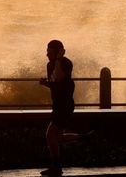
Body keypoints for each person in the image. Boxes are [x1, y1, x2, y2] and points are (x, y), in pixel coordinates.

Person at [38, 40, 90, 176]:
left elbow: (61, 78)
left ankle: (56, 166)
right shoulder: (49, 65)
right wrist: (46, 84)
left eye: (49, 51)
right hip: (57, 104)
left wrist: (59, 60)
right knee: (58, 137)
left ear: (57, 52)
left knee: (50, 135)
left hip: (65, 105)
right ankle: (83, 137)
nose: (46, 54)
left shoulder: (66, 63)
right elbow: (55, 82)